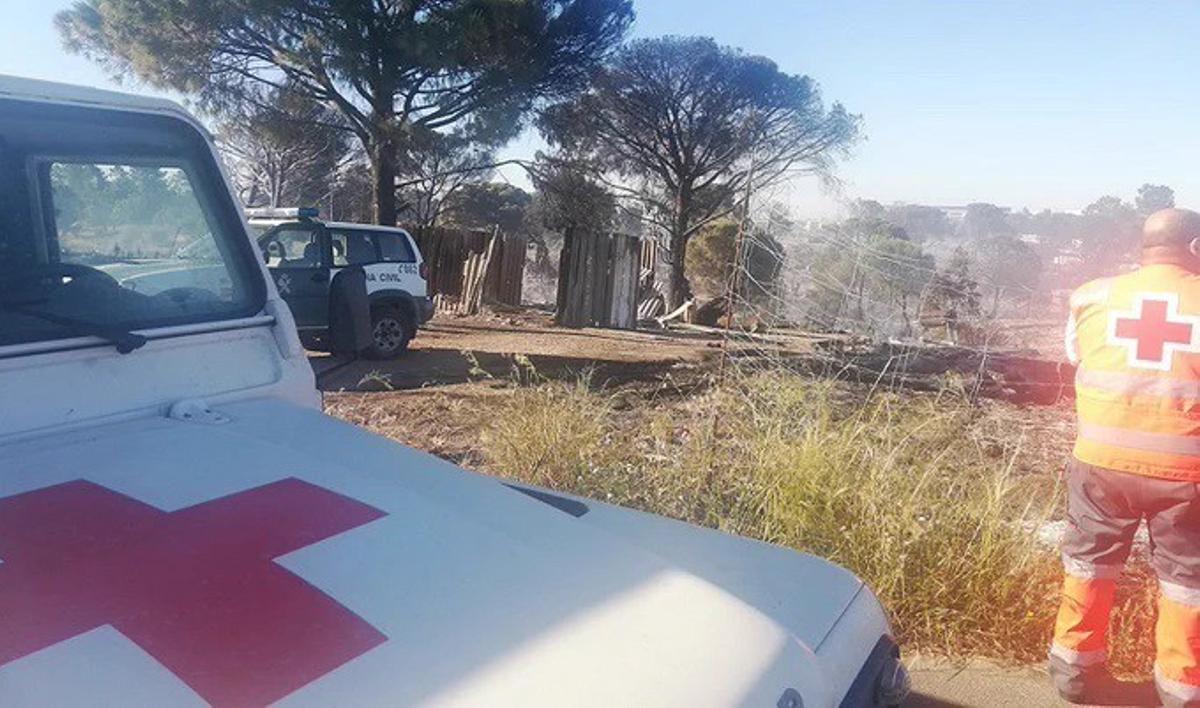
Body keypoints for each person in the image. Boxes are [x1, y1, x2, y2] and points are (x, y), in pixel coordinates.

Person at [1053, 208, 1200, 707]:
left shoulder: (1091, 296)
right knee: (1187, 583)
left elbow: (1080, 356)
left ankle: (1074, 675)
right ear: (1196, 247)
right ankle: (1182, 692)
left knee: (1088, 565)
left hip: (1099, 464)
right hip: (1187, 476)